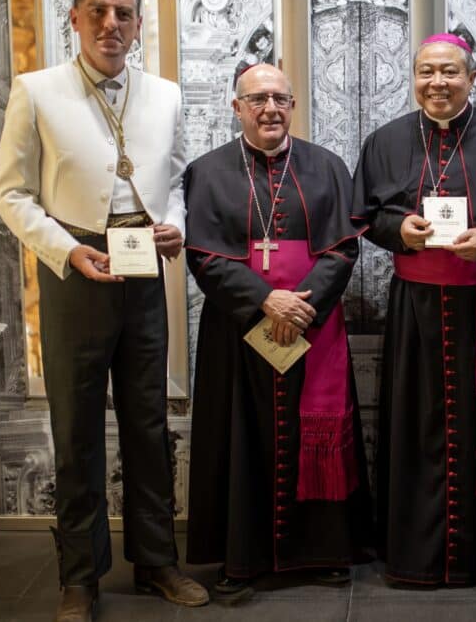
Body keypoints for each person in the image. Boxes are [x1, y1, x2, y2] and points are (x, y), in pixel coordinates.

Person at [0, 0, 208, 622]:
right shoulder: (35, 90)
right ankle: (79, 576)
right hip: (74, 267)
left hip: (143, 265)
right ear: (75, 20)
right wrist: (64, 249)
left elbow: (177, 179)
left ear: (138, 23)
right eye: (98, 13)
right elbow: (10, 193)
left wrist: (178, 223)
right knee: (76, 429)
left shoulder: (165, 94)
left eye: (122, 13)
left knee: (148, 421)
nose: (111, 24)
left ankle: (157, 561)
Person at [351, 34, 476, 585]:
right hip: (413, 308)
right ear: (413, 77)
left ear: (472, 77)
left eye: (449, 72)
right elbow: (363, 216)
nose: (436, 83)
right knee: (416, 423)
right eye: (425, 72)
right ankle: (412, 551)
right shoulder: (386, 140)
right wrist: (400, 229)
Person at [183, 63, 372, 599]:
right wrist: (264, 299)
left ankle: (324, 550)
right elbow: (202, 255)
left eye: (280, 99)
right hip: (239, 327)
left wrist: (298, 306)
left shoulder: (327, 166)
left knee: (316, 435)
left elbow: (343, 248)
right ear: (236, 107)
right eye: (257, 99)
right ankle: (242, 556)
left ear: (292, 105)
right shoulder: (208, 170)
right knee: (240, 438)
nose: (270, 109)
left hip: (312, 325)